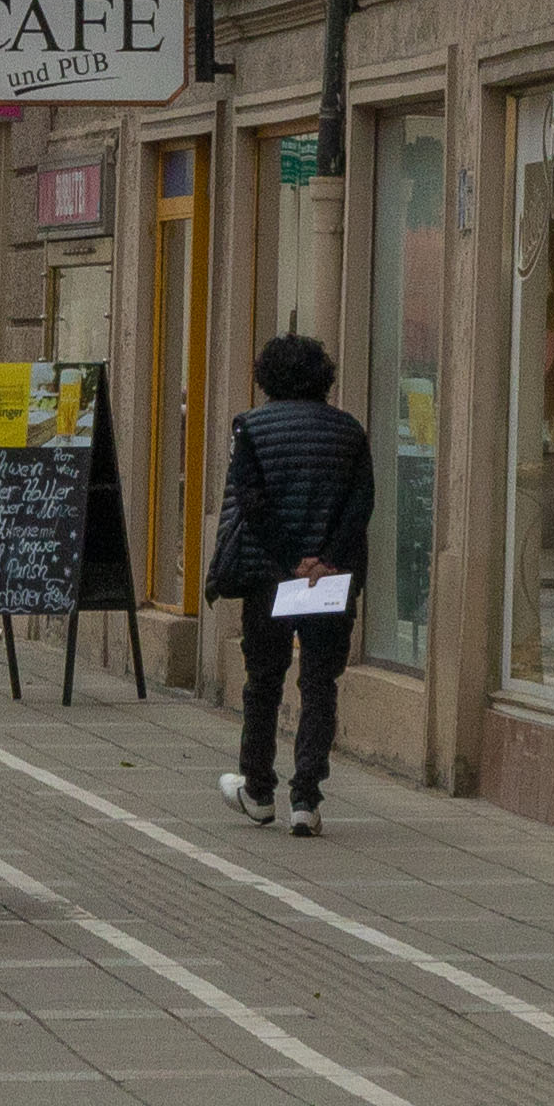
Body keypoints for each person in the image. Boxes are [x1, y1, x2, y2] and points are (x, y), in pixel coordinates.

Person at [203, 331, 376, 840]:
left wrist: (290, 559)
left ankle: (258, 789)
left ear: (267, 377)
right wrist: (325, 559)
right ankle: (307, 799)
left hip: (268, 575)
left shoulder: (251, 428)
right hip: (332, 579)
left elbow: (251, 503)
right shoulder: (349, 431)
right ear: (323, 377)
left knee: (264, 681)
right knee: (320, 683)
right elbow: (360, 504)